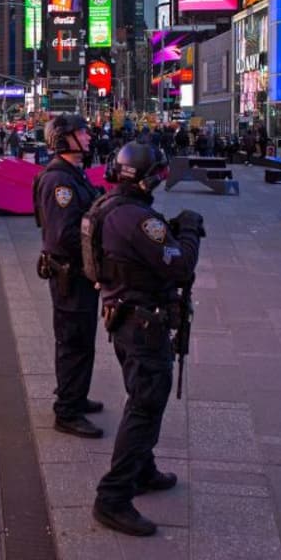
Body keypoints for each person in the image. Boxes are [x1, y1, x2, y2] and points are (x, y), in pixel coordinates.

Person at [85, 142, 203, 536]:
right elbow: (180, 266)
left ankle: (142, 469)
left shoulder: (108, 206)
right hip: (143, 324)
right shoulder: (138, 219)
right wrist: (189, 231)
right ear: (149, 178)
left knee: (141, 396)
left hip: (122, 315)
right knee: (145, 407)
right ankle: (113, 496)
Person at [34, 114, 105, 439]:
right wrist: (100, 251)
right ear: (64, 139)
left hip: (80, 274)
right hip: (70, 274)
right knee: (73, 341)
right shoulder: (59, 182)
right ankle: (67, 411)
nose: (88, 137)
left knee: (82, 339)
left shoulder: (74, 173)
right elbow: (65, 236)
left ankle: (76, 394)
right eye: (82, 132)